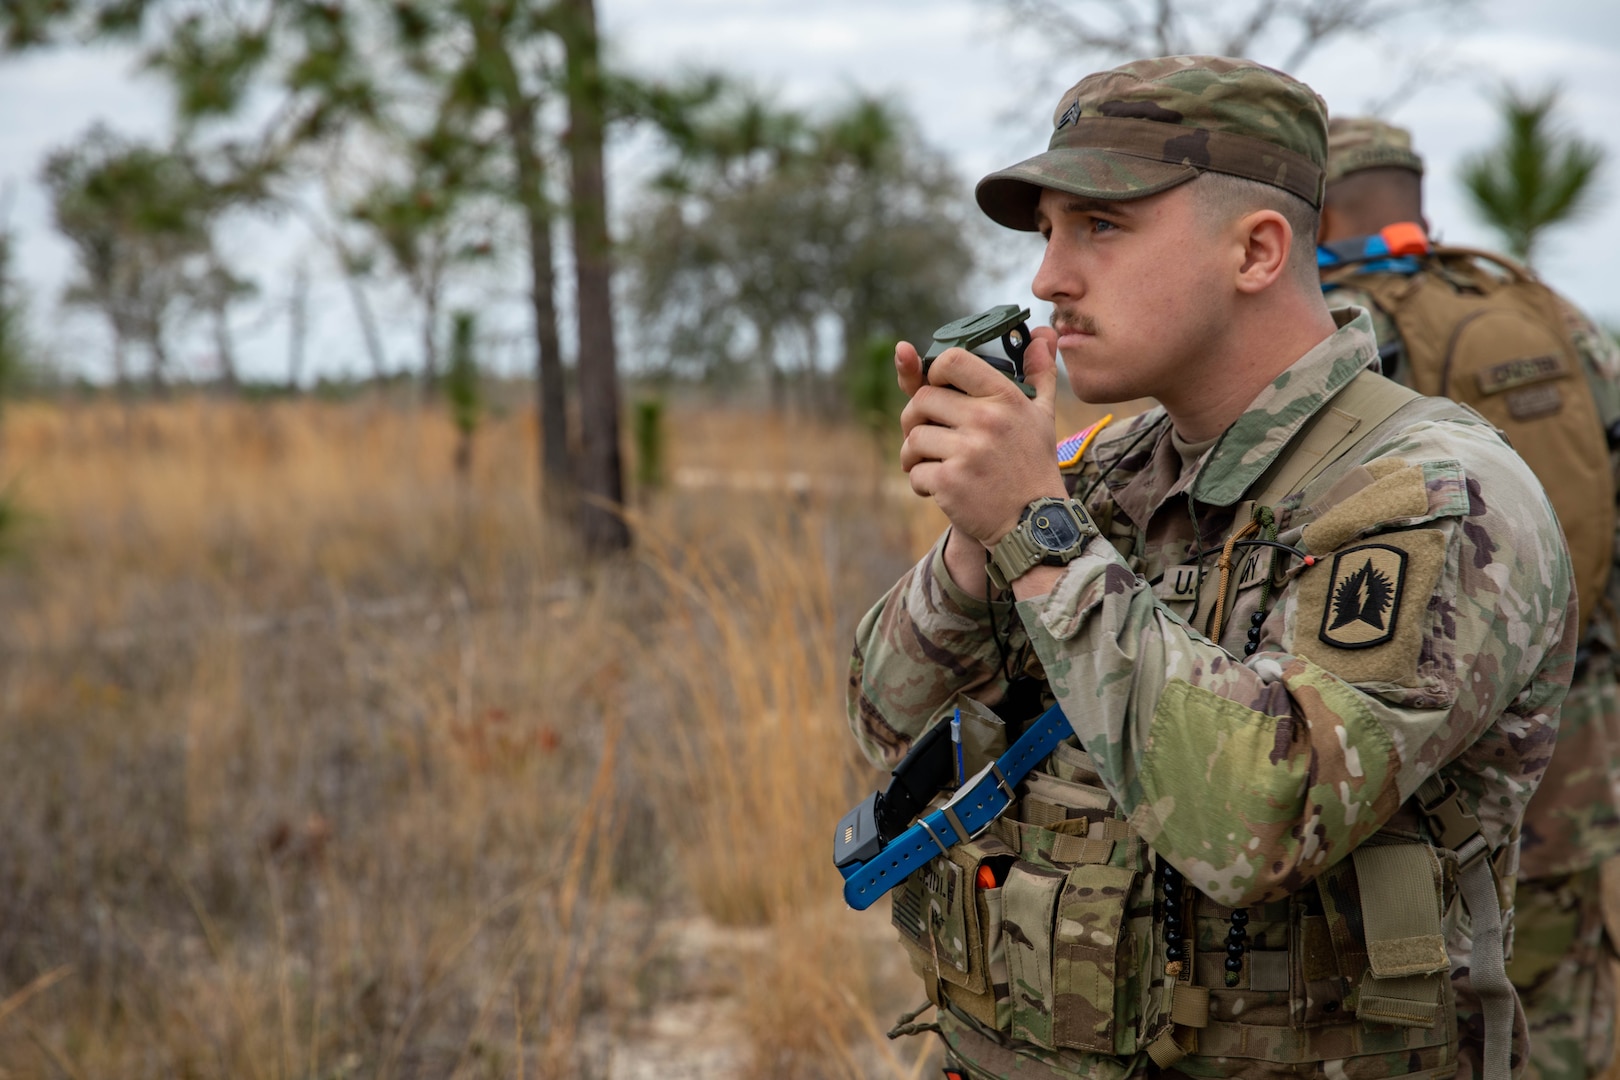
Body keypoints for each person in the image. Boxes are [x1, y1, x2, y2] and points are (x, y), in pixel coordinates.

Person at [842, 56, 1576, 1080]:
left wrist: (1037, 535)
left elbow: (1258, 822)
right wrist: (980, 537)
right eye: (1048, 231)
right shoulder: (1096, 473)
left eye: (1101, 226)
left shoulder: (1434, 497)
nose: (1049, 276)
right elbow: (886, 725)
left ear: (1258, 251)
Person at [1318, 117, 1620, 1080]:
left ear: (1314, 211)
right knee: (1567, 999)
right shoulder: (1547, 311)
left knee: (1449, 1019)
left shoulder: (1344, 334)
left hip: (1441, 784)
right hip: (1579, 747)